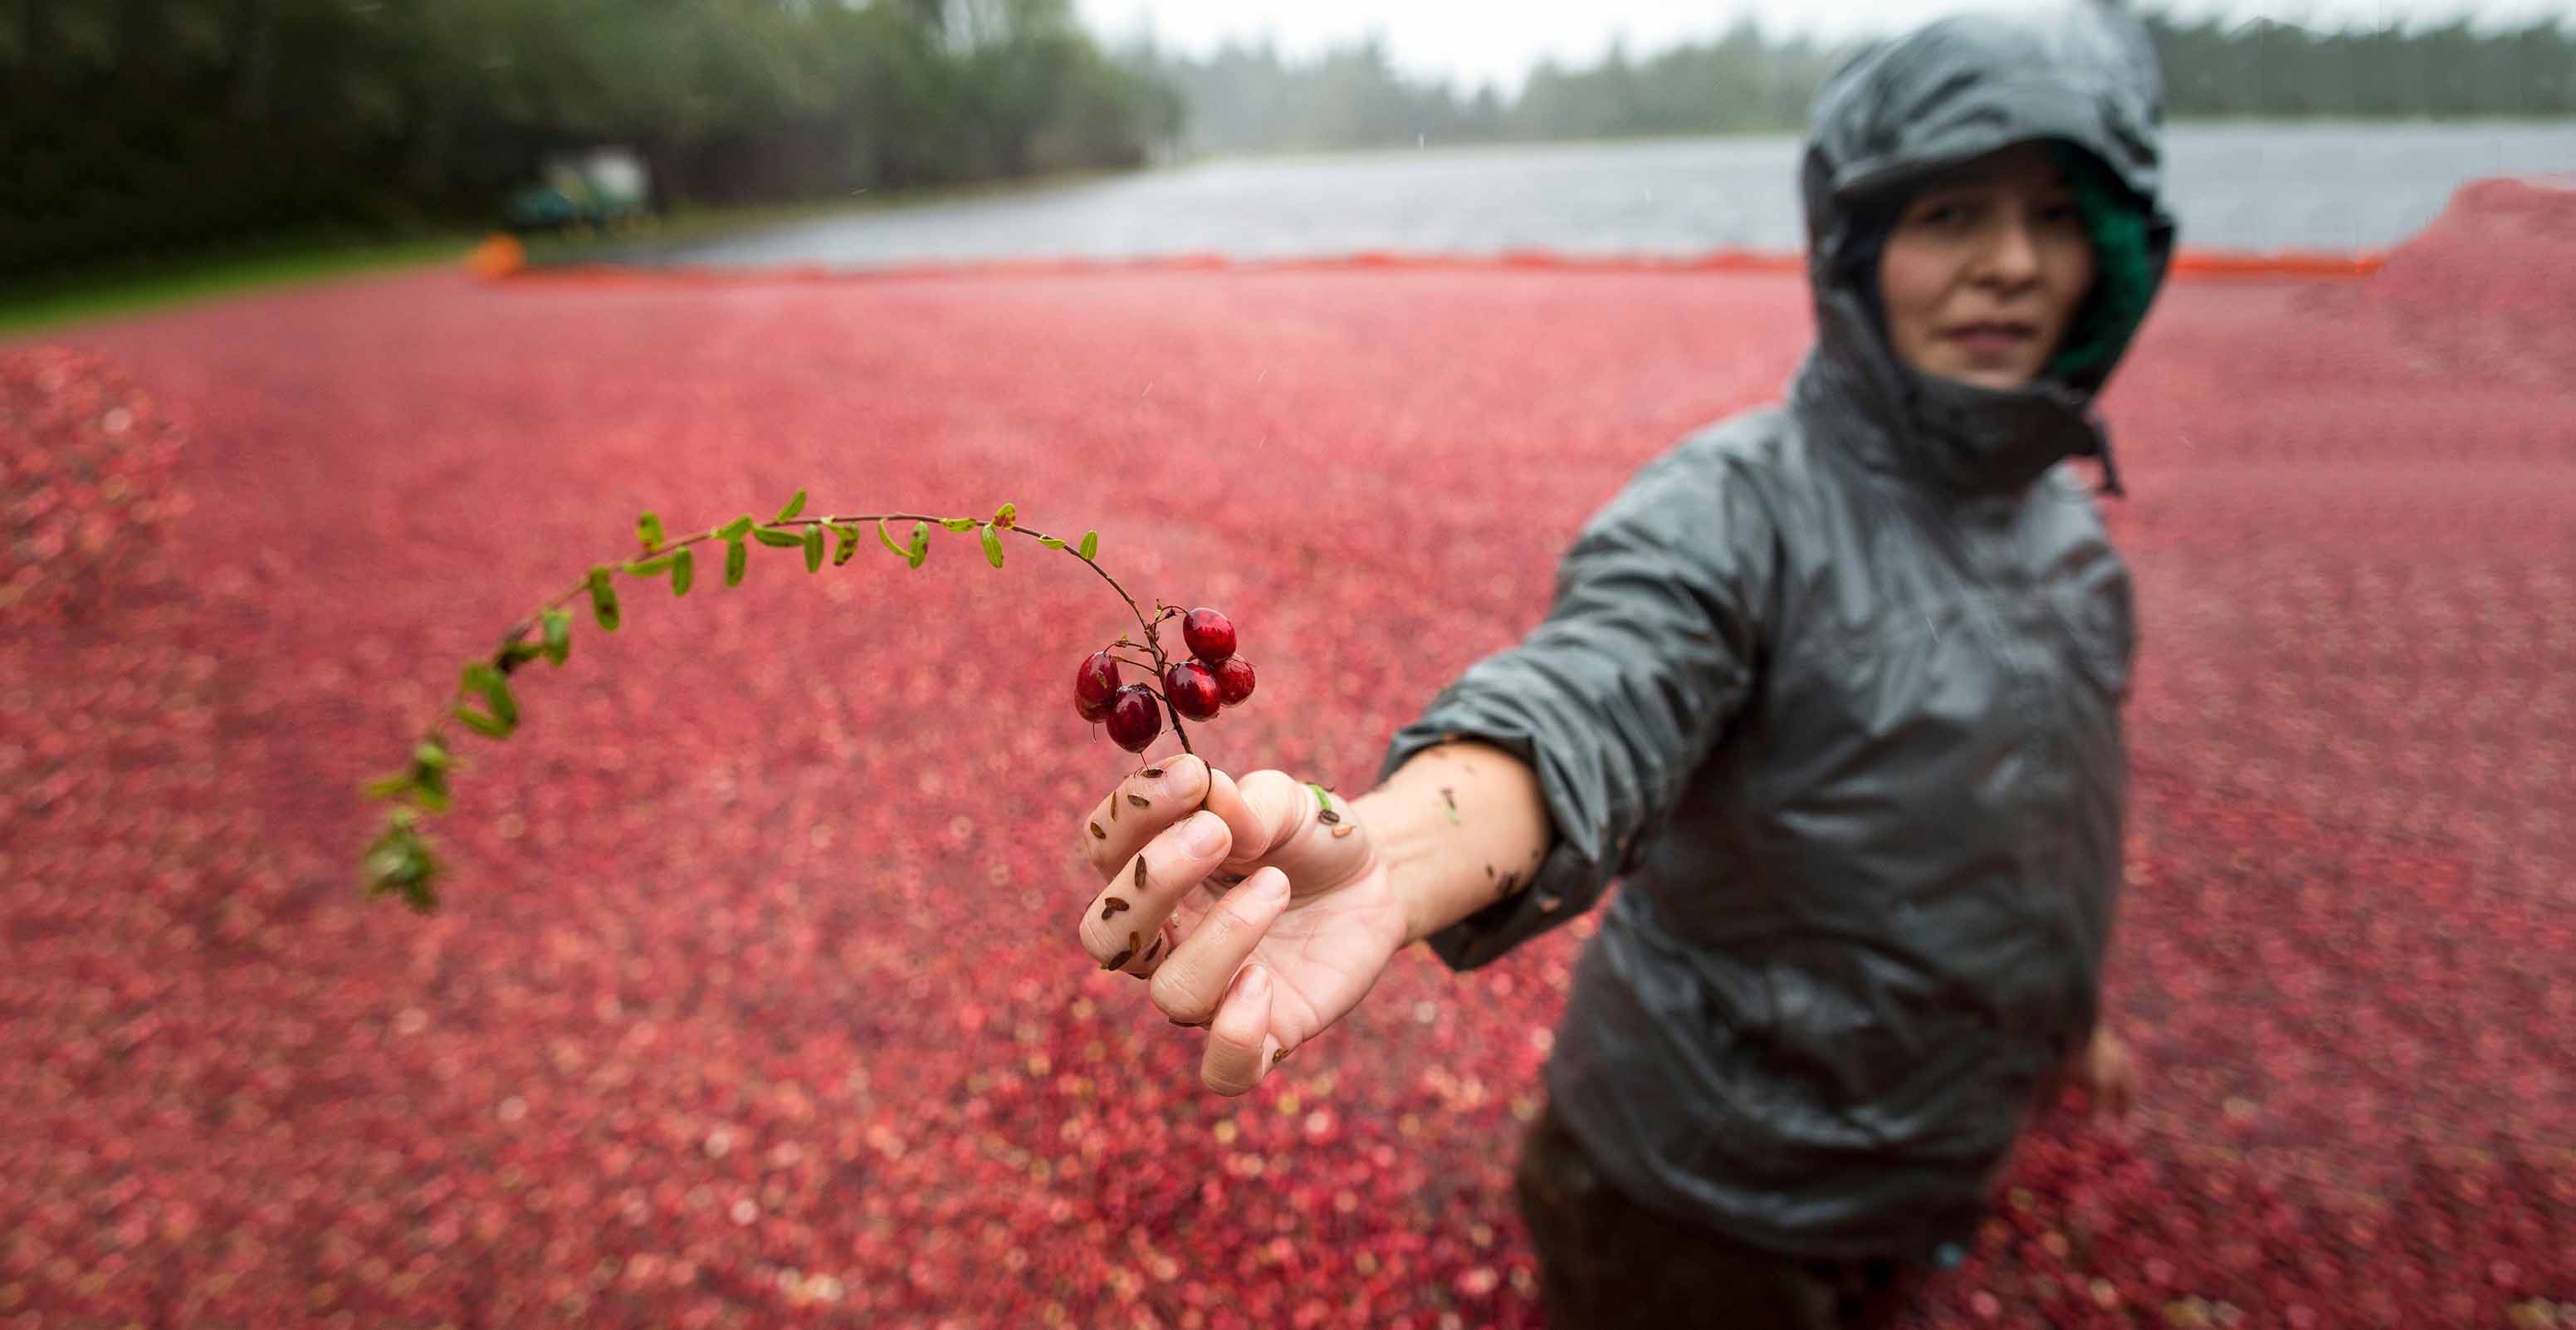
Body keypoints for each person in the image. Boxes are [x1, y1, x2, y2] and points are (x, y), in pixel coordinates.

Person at [1069, 2, 2173, 1324]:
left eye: (2055, 217)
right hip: (1694, 1190)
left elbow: (2046, 816)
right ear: (1862, 242)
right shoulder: (1735, 508)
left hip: (1935, 1166)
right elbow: (1592, 696)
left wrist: (2066, 1013)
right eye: (1950, 216)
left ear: (2113, 249)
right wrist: (1386, 861)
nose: (2009, 263)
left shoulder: (2066, 528)